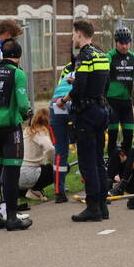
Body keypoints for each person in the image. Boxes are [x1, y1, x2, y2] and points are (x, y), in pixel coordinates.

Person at [0, 39, 32, 231]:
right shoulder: (18, 74)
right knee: (11, 173)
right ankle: (12, 218)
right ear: (18, 56)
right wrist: (27, 114)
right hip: (10, 131)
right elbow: (23, 104)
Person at [67, 19, 110, 223]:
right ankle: (103, 206)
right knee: (99, 160)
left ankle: (92, 207)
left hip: (86, 113)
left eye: (73, 34)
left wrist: (66, 98)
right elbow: (104, 82)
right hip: (101, 110)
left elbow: (81, 85)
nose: (72, 37)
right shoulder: (101, 54)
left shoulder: (83, 56)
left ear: (80, 34)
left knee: (87, 161)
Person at [105, 27, 134, 175]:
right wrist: (103, 101)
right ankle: (112, 171)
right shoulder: (109, 56)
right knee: (113, 135)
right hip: (112, 103)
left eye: (127, 43)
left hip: (126, 104)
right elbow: (103, 80)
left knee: (129, 136)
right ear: (116, 43)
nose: (124, 46)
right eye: (121, 43)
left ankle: (125, 170)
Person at [50, 59, 75, 203]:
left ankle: (59, 192)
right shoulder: (90, 70)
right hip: (71, 102)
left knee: (60, 149)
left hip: (55, 104)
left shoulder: (67, 72)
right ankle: (91, 188)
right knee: (85, 146)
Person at [19, 108, 56, 200]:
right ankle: (35, 189)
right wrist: (55, 162)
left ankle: (23, 192)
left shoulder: (26, 131)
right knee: (63, 167)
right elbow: (50, 149)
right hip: (30, 174)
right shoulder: (41, 131)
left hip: (17, 174)